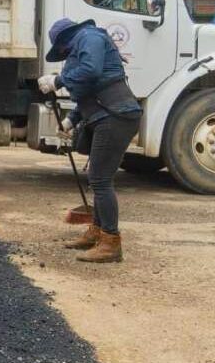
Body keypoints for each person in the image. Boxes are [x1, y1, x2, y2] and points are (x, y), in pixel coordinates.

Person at [38, 18, 142, 263]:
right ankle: (97, 231)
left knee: (100, 179)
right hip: (108, 114)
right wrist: (70, 120)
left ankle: (111, 242)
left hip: (114, 116)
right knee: (98, 179)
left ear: (64, 40)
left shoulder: (89, 37)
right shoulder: (85, 41)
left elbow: (91, 70)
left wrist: (58, 81)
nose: (63, 54)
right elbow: (90, 91)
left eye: (61, 49)